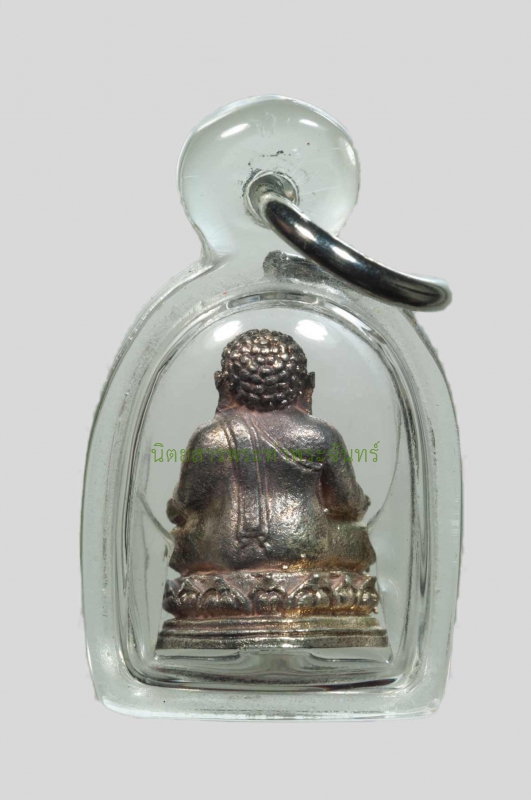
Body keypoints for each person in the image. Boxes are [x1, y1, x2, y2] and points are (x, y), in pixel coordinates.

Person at [166, 329, 374, 577]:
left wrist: (174, 508)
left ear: (222, 383)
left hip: (223, 551)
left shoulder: (210, 436)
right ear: (307, 384)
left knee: (183, 537)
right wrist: (362, 501)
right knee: (356, 534)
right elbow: (346, 504)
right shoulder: (320, 435)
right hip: (306, 546)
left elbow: (186, 504)